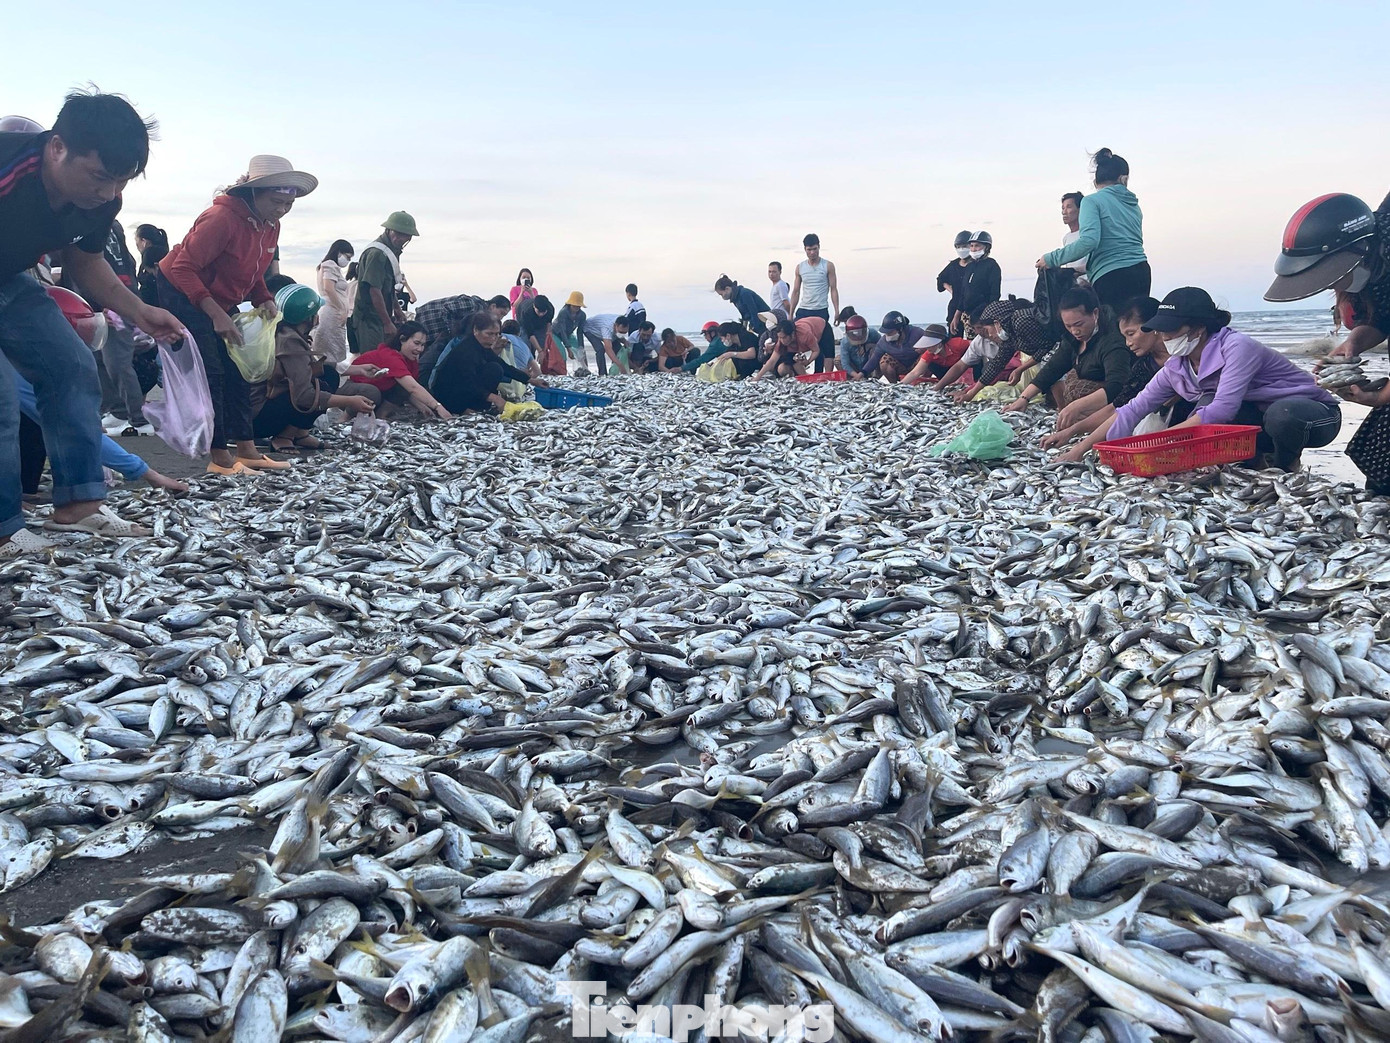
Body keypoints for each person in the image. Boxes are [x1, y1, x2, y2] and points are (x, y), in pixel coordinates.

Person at [2, 91, 191, 556]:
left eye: (120, 181)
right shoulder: (9, 169)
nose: (107, 193)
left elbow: (87, 266)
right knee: (3, 400)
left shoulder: (100, 202)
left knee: (72, 367)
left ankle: (79, 504)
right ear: (57, 147)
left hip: (10, 278)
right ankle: (5, 527)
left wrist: (141, 312)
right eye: (99, 177)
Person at [160, 155, 317, 475]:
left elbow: (253, 269)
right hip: (181, 289)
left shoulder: (270, 226)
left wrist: (264, 298)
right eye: (277, 201)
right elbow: (183, 268)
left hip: (220, 295)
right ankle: (219, 456)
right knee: (213, 370)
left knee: (240, 367)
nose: (282, 209)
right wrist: (216, 314)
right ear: (254, 193)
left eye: (289, 204)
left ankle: (246, 448)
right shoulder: (220, 218)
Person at [1107, 287, 1342, 471]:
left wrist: (1160, 441)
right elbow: (1133, 408)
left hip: (1316, 416)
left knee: (1281, 414)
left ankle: (1285, 467)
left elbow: (1223, 409)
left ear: (1198, 328)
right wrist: (1111, 453)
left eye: (1172, 329)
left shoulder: (1237, 347)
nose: (1165, 336)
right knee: (1205, 402)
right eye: (1161, 329)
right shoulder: (1178, 365)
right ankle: (1254, 463)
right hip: (1261, 418)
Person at [1044, 296, 1176, 462]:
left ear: (1154, 326)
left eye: (1131, 334)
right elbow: (1121, 408)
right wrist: (1072, 435)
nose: (1128, 343)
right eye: (1125, 336)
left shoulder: (1183, 357)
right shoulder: (1143, 368)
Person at [254, 283, 381, 449]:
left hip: (259, 413)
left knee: (328, 374)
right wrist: (350, 401)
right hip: (261, 420)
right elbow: (303, 396)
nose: (319, 316)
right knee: (323, 383)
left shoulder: (284, 333)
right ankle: (283, 437)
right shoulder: (290, 342)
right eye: (316, 312)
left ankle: (299, 434)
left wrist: (358, 369)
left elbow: (309, 367)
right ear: (307, 317)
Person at [1265, 191, 1388, 362]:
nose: (1329, 285)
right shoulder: (1373, 274)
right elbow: (1381, 320)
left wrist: (1379, 391)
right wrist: (1354, 342)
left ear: (1359, 253)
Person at [63, 218, 151, 437]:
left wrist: (107, 302)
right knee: (99, 359)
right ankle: (118, 411)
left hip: (111, 301)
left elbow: (94, 267)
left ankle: (138, 419)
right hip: (102, 300)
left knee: (117, 362)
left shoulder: (88, 224)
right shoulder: (110, 225)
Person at [1003, 286, 1133, 424]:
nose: (1074, 331)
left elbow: (1117, 385)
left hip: (1116, 403)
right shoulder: (1072, 340)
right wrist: (1024, 399)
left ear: (1095, 313)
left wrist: (1076, 406)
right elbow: (1052, 369)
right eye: (1068, 326)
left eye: (1078, 324)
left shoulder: (1112, 342)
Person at [1037, 149, 1149, 308]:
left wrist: (1050, 259)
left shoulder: (1091, 201)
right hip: (1141, 271)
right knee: (1136, 329)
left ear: (1096, 182)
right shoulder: (1133, 205)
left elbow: (1089, 241)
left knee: (1113, 330)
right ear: (1123, 179)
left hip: (1112, 276)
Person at [933, 299, 1045, 403]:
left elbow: (1046, 350)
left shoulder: (1021, 324)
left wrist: (1021, 369)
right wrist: (969, 393)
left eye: (983, 328)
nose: (977, 332)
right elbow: (996, 366)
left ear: (996, 323)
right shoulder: (1006, 339)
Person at [347, 318, 453, 420]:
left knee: (402, 387)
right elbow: (413, 387)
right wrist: (438, 407)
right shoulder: (390, 356)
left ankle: (381, 416)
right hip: (353, 390)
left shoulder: (411, 360)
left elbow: (410, 390)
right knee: (371, 392)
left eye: (422, 345)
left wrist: (424, 408)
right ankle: (344, 418)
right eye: (416, 343)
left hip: (380, 392)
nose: (420, 349)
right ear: (402, 339)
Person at [431, 312, 536, 414]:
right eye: (489, 334)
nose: (493, 338)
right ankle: (463, 408)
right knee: (493, 369)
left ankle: (477, 407)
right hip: (448, 395)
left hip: (466, 390)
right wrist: (495, 398)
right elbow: (467, 383)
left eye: (496, 334)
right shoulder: (466, 350)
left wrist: (530, 380)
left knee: (496, 368)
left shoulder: (482, 347)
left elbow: (504, 366)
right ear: (476, 330)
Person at [350, 212, 418, 355]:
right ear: (388, 230)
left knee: (384, 358)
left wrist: (397, 310)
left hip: (381, 317)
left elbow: (388, 287)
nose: (400, 238)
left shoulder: (392, 252)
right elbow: (374, 290)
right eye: (397, 233)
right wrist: (387, 322)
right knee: (373, 361)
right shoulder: (377, 254)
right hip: (369, 319)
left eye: (405, 235)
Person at [415, 293, 503, 387]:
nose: (500, 317)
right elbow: (446, 309)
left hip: (438, 331)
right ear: (493, 306)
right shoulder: (472, 304)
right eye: (501, 313)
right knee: (430, 362)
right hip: (431, 322)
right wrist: (451, 332)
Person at [788, 234, 840, 354]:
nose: (812, 252)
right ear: (805, 249)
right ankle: (795, 368)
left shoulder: (828, 265)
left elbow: (833, 289)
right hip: (804, 309)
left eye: (814, 249)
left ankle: (819, 372)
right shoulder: (800, 267)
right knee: (794, 337)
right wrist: (790, 314)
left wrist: (837, 310)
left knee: (819, 343)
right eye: (809, 249)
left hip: (820, 309)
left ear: (819, 247)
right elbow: (796, 291)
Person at [314, 239, 353, 367]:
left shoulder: (328, 266)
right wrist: (341, 308)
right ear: (338, 252)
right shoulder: (330, 264)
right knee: (329, 352)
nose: (348, 261)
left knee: (332, 350)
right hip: (331, 311)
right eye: (347, 257)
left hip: (333, 312)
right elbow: (329, 288)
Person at [861, 312, 927, 382]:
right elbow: (874, 359)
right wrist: (862, 373)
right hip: (900, 368)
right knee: (884, 360)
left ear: (900, 329)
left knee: (927, 356)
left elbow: (933, 345)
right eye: (886, 333)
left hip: (918, 367)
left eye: (890, 332)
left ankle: (923, 382)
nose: (887, 335)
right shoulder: (883, 342)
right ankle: (894, 385)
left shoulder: (917, 333)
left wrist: (924, 349)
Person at [901, 324, 970, 385]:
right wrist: (900, 385)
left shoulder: (957, 344)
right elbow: (915, 372)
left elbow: (975, 346)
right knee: (930, 364)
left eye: (931, 344)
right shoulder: (929, 353)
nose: (928, 347)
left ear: (940, 342)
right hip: (945, 374)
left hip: (963, 370)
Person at [958, 232, 1001, 325]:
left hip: (983, 315)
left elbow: (995, 294)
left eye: (977, 246)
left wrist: (988, 316)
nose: (973, 249)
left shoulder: (992, 265)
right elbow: (963, 293)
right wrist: (956, 316)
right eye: (971, 246)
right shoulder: (969, 266)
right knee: (970, 340)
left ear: (987, 247)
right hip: (967, 315)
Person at [938, 231, 975, 335]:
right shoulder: (953, 265)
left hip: (971, 308)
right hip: (954, 306)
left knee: (972, 342)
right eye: (959, 246)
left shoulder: (977, 265)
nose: (962, 249)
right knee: (954, 340)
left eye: (964, 246)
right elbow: (940, 279)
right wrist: (951, 290)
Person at [714, 275, 772, 340]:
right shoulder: (735, 298)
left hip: (764, 323)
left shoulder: (744, 294)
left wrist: (757, 332)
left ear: (727, 289)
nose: (722, 297)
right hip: (757, 324)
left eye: (721, 294)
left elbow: (754, 312)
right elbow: (745, 316)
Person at [519, 294, 562, 374]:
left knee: (543, 346)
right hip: (524, 325)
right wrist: (540, 351)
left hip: (541, 326)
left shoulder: (550, 308)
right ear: (534, 307)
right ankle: (525, 371)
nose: (541, 314)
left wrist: (548, 335)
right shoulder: (526, 311)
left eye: (543, 312)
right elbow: (530, 334)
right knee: (526, 347)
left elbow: (548, 323)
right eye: (539, 312)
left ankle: (544, 370)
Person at [133, 223, 169, 308]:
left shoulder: (150, 256)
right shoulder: (165, 253)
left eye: (136, 241)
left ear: (144, 241)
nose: (136, 245)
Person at [838, 312, 880, 379]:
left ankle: (874, 378)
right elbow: (845, 363)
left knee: (876, 351)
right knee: (838, 359)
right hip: (855, 367)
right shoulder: (845, 342)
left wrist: (871, 346)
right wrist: (857, 376)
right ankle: (852, 379)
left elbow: (883, 348)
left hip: (870, 365)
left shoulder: (873, 334)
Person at [553, 291, 588, 369]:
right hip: (556, 333)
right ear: (570, 304)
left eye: (578, 306)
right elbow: (562, 330)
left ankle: (585, 370)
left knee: (580, 352)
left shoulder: (582, 315)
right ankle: (562, 371)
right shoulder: (563, 312)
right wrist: (568, 348)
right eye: (574, 306)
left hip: (569, 333)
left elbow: (579, 332)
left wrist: (581, 347)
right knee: (561, 353)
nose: (576, 308)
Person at [1059, 192, 1088, 274]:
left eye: (1069, 207)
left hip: (1088, 284)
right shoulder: (1066, 238)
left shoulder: (1088, 234)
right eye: (1063, 208)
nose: (1064, 212)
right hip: (1073, 285)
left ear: (1080, 209)